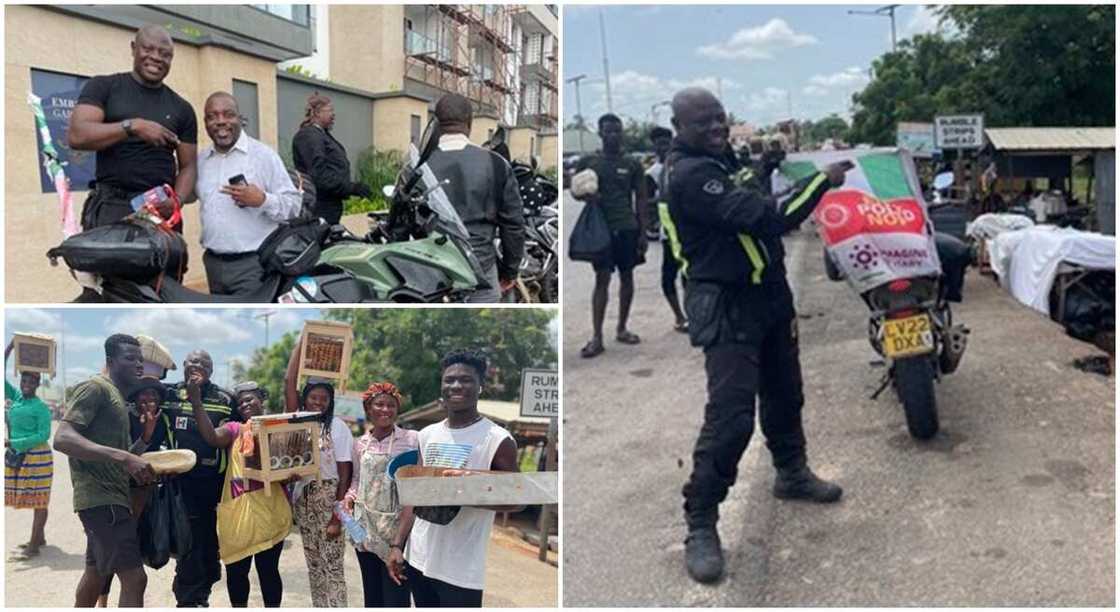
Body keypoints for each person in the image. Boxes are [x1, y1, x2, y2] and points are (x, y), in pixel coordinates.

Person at [665, 88, 849, 584]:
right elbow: (770, 218)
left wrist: (770, 166)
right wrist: (822, 182)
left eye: (720, 118)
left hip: (768, 296)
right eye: (702, 122)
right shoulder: (691, 176)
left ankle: (791, 473)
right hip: (726, 306)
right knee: (731, 419)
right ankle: (701, 521)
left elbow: (757, 190)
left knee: (786, 394)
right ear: (680, 127)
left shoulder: (723, 160)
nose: (715, 128)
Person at [387, 350, 523, 607]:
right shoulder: (427, 435)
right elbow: (414, 497)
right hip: (418, 558)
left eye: (466, 380)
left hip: (460, 569)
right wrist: (397, 545)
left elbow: (517, 499)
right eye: (449, 380)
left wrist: (469, 487)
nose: (456, 386)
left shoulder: (498, 439)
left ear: (481, 386)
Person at [53, 334, 155, 607]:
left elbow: (120, 459)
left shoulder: (117, 399)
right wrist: (124, 457)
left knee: (97, 572)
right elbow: (62, 438)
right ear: (110, 361)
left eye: (140, 360)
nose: (138, 365)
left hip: (112, 499)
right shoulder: (95, 388)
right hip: (102, 501)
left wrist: (144, 438)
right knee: (135, 579)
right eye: (130, 358)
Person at [68, 25, 198, 230]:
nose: (156, 57)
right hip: (111, 207)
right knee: (109, 263)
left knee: (166, 263)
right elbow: (77, 135)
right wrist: (132, 126)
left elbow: (189, 165)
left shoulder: (182, 108)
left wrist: (178, 201)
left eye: (165, 54)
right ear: (133, 48)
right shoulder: (104, 87)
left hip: (159, 209)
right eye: (148, 49)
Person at [186, 380, 292, 607]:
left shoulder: (277, 426)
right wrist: (196, 403)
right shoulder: (235, 430)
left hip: (271, 511)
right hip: (238, 515)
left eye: (250, 399)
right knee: (236, 573)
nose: (245, 404)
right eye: (240, 402)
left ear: (261, 400)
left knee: (269, 571)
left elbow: (289, 463)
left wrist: (292, 474)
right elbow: (211, 437)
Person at [197, 92, 302, 295]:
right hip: (213, 265)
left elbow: (294, 206)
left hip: (253, 265)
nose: (220, 122)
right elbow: (193, 196)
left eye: (228, 114)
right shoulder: (202, 161)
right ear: (206, 122)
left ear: (240, 119)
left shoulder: (263, 156)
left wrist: (262, 199)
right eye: (212, 116)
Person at [426, 94, 526, 303]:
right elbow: (513, 225)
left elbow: (398, 225)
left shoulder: (417, 166)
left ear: (436, 122)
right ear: (469, 123)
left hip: (429, 269)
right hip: (480, 268)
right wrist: (510, 271)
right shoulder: (496, 164)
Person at [160, 350, 238, 607]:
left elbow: (236, 437)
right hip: (180, 485)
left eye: (204, 363)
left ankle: (197, 589)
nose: (197, 366)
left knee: (208, 550)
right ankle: (189, 598)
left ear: (211, 370)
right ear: (183, 366)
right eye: (193, 362)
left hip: (214, 486)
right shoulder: (168, 395)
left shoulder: (226, 399)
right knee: (189, 544)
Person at [572, 113, 649, 358]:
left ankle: (622, 328)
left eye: (618, 130)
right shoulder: (589, 162)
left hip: (627, 228)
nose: (614, 135)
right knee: (601, 279)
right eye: (609, 131)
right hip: (601, 231)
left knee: (627, 278)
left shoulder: (633, 164)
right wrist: (586, 196)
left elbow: (642, 199)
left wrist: (643, 232)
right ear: (601, 132)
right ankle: (597, 336)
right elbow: (575, 190)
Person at [284, 338, 353, 607]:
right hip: (304, 498)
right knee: (314, 564)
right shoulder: (297, 420)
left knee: (333, 566)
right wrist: (302, 344)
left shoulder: (338, 427)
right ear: (305, 398)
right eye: (314, 397)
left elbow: (345, 475)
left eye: (324, 399)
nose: (318, 403)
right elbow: (288, 381)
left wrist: (338, 516)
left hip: (329, 496)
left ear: (330, 402)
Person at [343, 382, 419, 607]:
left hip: (397, 530)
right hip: (365, 528)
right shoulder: (360, 444)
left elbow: (415, 484)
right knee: (373, 595)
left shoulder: (412, 439)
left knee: (396, 595)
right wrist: (348, 498)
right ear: (368, 408)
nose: (385, 410)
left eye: (391, 405)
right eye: (379, 404)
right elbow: (357, 480)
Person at [96, 375, 168, 608]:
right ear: (135, 398)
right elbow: (124, 457)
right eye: (143, 394)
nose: (148, 399)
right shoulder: (124, 419)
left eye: (154, 395)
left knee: (134, 545)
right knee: (113, 551)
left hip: (147, 490)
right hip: (123, 492)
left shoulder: (163, 420)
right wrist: (146, 434)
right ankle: (102, 601)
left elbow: (166, 452)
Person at [4, 341, 54, 559]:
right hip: (19, 455)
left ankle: (34, 545)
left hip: (38, 457)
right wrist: (8, 350)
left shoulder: (40, 408)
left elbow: (43, 435)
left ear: (37, 384)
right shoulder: (16, 398)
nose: (26, 384)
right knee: (30, 497)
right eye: (24, 380)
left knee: (39, 499)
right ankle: (39, 537)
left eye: (31, 381)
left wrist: (17, 442)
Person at [291, 93, 371, 224]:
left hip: (329, 205)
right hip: (320, 208)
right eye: (330, 110)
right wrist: (352, 188)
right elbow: (319, 175)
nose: (333, 115)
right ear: (317, 113)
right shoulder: (309, 136)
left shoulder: (321, 134)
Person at [644, 126, 688, 333]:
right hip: (667, 232)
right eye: (659, 144)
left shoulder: (684, 166)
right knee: (669, 274)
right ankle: (679, 316)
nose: (664, 147)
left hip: (689, 230)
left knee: (690, 275)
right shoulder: (651, 173)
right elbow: (645, 200)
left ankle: (695, 314)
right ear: (654, 147)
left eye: (667, 143)